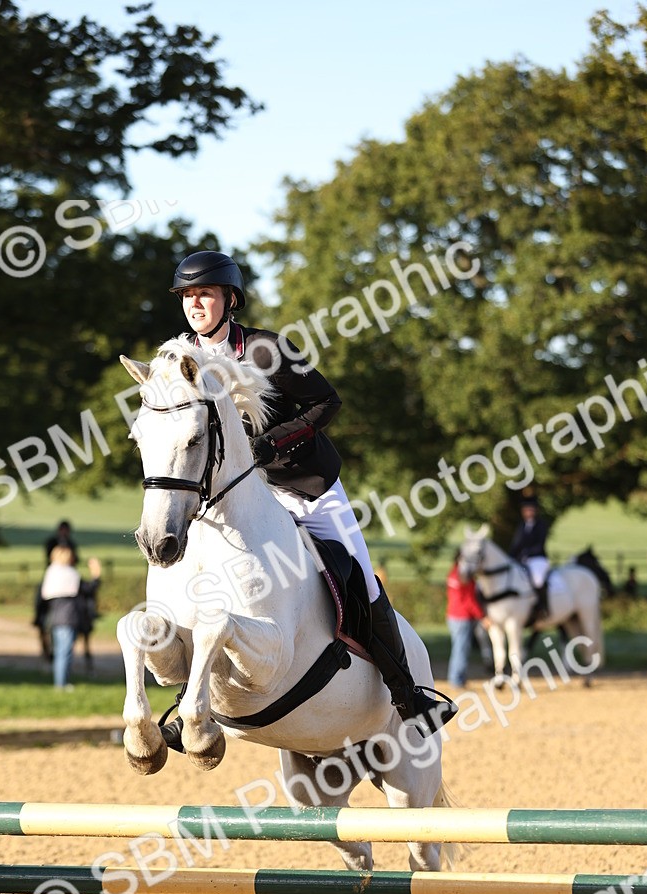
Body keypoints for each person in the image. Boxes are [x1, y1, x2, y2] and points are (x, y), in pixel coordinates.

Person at [158, 249, 452, 749]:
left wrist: (272, 443)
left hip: (303, 486)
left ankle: (409, 697)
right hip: (238, 496)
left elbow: (326, 401)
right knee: (203, 580)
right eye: (187, 296)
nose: (195, 304)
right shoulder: (181, 358)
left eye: (204, 293)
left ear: (230, 299)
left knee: (359, 574)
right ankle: (190, 693)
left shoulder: (266, 350)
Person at [39, 547, 101, 690]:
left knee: (59, 652)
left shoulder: (50, 573)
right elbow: (89, 589)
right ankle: (62, 684)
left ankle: (59, 682)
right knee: (65, 653)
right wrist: (96, 573)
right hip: (68, 617)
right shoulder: (70, 574)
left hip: (54, 618)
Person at [446, 552, 485, 687]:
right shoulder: (463, 577)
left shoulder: (453, 573)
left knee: (459, 647)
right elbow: (469, 601)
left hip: (453, 616)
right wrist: (482, 616)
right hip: (462, 617)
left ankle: (457, 678)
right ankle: (456, 679)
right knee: (461, 649)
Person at [509, 495, 551, 621]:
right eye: (526, 510)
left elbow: (540, 545)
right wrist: (510, 558)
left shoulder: (541, 525)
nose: (528, 512)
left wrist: (526, 553)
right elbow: (516, 545)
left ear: (535, 511)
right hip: (522, 560)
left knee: (537, 579)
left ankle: (543, 607)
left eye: (531, 510)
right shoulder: (521, 526)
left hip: (538, 558)